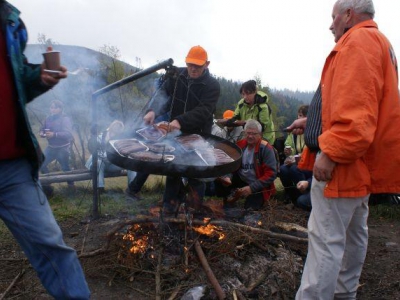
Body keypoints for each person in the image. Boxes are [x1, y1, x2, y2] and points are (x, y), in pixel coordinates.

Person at [286, 1, 400, 298]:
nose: (330, 24)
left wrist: (332, 152)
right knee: (351, 240)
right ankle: (342, 295)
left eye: (333, 17)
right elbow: (353, 101)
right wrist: (310, 121)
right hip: (359, 165)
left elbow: (357, 115)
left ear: (349, 14)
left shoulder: (358, 42)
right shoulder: (379, 42)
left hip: (344, 166)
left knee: (325, 243)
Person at [0, 1, 90, 298]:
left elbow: (13, 80)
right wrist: (46, 131)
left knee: (52, 246)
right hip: (40, 151)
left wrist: (38, 77)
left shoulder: (10, 21)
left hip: (13, 166)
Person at [130, 45, 220, 212]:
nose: (193, 69)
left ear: (206, 64)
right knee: (174, 168)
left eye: (198, 66)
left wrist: (180, 121)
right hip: (176, 134)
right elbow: (162, 94)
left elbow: (204, 110)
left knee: (196, 172)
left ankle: (194, 209)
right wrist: (152, 111)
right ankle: (169, 207)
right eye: (190, 64)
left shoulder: (212, 85)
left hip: (198, 136)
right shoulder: (178, 76)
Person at [215, 120, 277, 210]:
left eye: (254, 134)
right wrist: (228, 176)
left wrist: (251, 188)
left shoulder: (266, 148)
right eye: (248, 133)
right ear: (244, 133)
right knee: (220, 181)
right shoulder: (240, 145)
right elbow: (232, 164)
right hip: (242, 178)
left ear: (260, 134)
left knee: (250, 208)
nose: (250, 136)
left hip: (258, 184)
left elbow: (271, 174)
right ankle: (225, 200)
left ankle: (250, 199)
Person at [217, 80, 276, 144]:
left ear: (255, 92)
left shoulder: (263, 107)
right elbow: (235, 118)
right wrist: (226, 122)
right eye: (243, 94)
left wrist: (243, 122)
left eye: (248, 94)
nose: (245, 97)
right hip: (249, 136)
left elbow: (261, 127)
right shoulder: (241, 103)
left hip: (265, 137)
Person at [86, 120, 136, 194]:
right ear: (111, 128)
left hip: (112, 165)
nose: (116, 131)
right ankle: (100, 189)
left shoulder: (121, 139)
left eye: (119, 129)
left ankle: (133, 189)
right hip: (98, 164)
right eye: (115, 128)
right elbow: (94, 149)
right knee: (100, 163)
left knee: (131, 165)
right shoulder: (101, 136)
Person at [40, 100, 75, 192]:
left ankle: (71, 188)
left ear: (60, 109)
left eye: (55, 107)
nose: (53, 109)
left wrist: (54, 134)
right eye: (51, 107)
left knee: (65, 168)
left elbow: (68, 134)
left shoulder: (65, 119)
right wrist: (43, 134)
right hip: (51, 148)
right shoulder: (48, 119)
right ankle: (48, 186)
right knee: (41, 164)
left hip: (63, 148)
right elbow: (41, 131)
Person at [279, 105, 311, 203]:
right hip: (296, 160)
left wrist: (297, 159)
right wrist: (288, 151)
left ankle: (305, 195)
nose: (300, 119)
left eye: (303, 116)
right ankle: (291, 194)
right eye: (299, 115)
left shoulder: (311, 131)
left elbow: (311, 151)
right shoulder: (294, 132)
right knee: (283, 169)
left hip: (309, 164)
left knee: (294, 169)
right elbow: (289, 145)